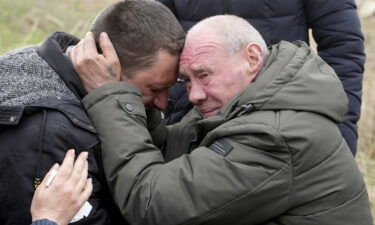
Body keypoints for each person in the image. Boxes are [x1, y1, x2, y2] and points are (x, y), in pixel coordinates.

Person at [61, 15, 373, 224]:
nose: (194, 95)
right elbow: (172, 153)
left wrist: (112, 96)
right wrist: (138, 93)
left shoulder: (276, 137)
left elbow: (151, 202)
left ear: (252, 58)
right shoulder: (248, 104)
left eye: (204, 75)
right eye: (187, 80)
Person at [0, 0, 185, 224]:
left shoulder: (35, 58)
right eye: (155, 88)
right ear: (110, 65)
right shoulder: (51, 133)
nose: (164, 103)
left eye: (170, 87)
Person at [156, 0, 365, 155]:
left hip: (284, 121)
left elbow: (343, 47)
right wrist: (177, 116)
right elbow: (153, 43)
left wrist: (339, 129)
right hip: (196, 123)